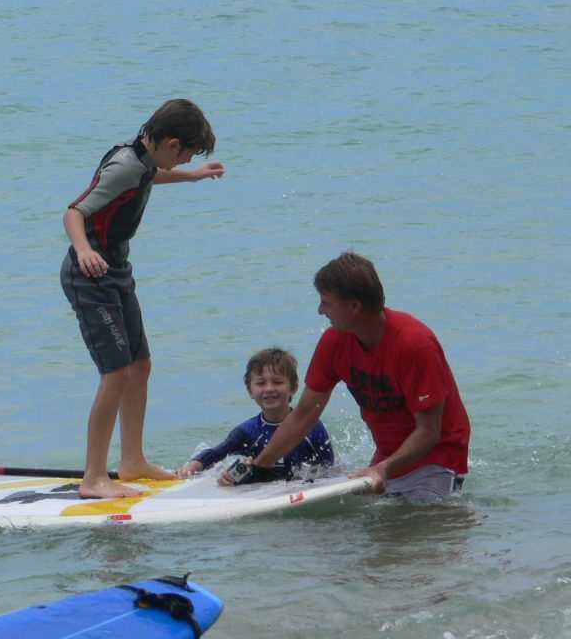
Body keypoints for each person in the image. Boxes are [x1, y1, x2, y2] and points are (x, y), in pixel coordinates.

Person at [60, 98, 225, 499]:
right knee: (115, 374)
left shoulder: (142, 157)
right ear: (171, 143)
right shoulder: (125, 165)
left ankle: (132, 459)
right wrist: (83, 250)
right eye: (187, 152)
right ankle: (93, 478)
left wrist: (192, 175)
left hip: (116, 272)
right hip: (90, 277)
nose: (187, 157)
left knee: (141, 365)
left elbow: (150, 177)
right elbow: (74, 212)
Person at [222, 252, 470, 500]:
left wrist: (383, 468)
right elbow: (303, 416)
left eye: (326, 302)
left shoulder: (414, 345)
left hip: (437, 458)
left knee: (420, 530)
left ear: (354, 306)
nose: (320, 310)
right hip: (387, 459)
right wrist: (257, 469)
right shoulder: (334, 342)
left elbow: (429, 430)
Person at [175, 347, 334, 479]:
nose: (269, 388)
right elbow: (215, 454)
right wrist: (188, 469)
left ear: (293, 388)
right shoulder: (247, 432)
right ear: (250, 390)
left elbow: (330, 467)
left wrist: (307, 477)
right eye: (260, 383)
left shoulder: (311, 427)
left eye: (277, 382)